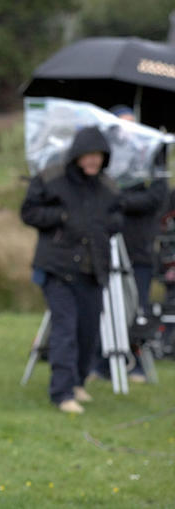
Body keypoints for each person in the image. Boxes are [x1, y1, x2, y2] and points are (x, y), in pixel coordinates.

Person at [21, 125, 122, 414]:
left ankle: (77, 382)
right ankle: (62, 393)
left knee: (87, 331)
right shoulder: (52, 179)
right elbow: (29, 212)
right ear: (77, 154)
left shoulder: (108, 186)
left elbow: (117, 215)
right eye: (88, 155)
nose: (94, 161)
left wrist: (110, 226)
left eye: (99, 156)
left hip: (94, 269)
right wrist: (61, 216)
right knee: (65, 329)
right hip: (58, 269)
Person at [90, 105, 168, 383]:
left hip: (138, 246)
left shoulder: (153, 153)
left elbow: (157, 196)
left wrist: (121, 201)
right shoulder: (102, 155)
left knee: (136, 306)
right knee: (101, 305)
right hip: (104, 241)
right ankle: (99, 364)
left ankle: (134, 363)